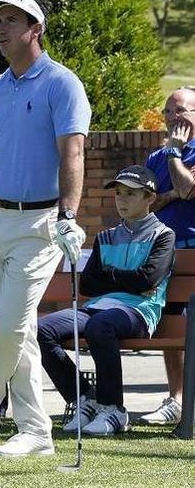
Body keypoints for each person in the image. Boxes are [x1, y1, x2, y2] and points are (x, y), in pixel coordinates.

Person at [0, 0, 92, 457]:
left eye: (12, 20)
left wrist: (70, 214)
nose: (2, 28)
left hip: (42, 223)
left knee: (8, 326)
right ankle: (37, 431)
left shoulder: (62, 83)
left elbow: (73, 152)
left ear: (35, 29)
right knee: (18, 332)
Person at [38, 165, 175, 435]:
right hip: (98, 308)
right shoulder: (105, 236)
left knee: (100, 326)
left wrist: (110, 276)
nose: (121, 199)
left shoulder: (164, 235)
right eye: (119, 193)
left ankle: (114, 410)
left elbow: (147, 280)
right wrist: (126, 278)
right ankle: (84, 399)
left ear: (150, 198)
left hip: (139, 311)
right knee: (41, 329)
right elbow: (88, 283)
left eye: (131, 194)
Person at [140, 86, 195, 426]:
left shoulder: (169, 156)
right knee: (169, 325)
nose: (174, 119)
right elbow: (146, 203)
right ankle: (176, 398)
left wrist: (175, 161)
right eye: (168, 112)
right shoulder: (155, 159)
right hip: (167, 251)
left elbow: (187, 189)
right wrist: (175, 192)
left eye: (181, 111)